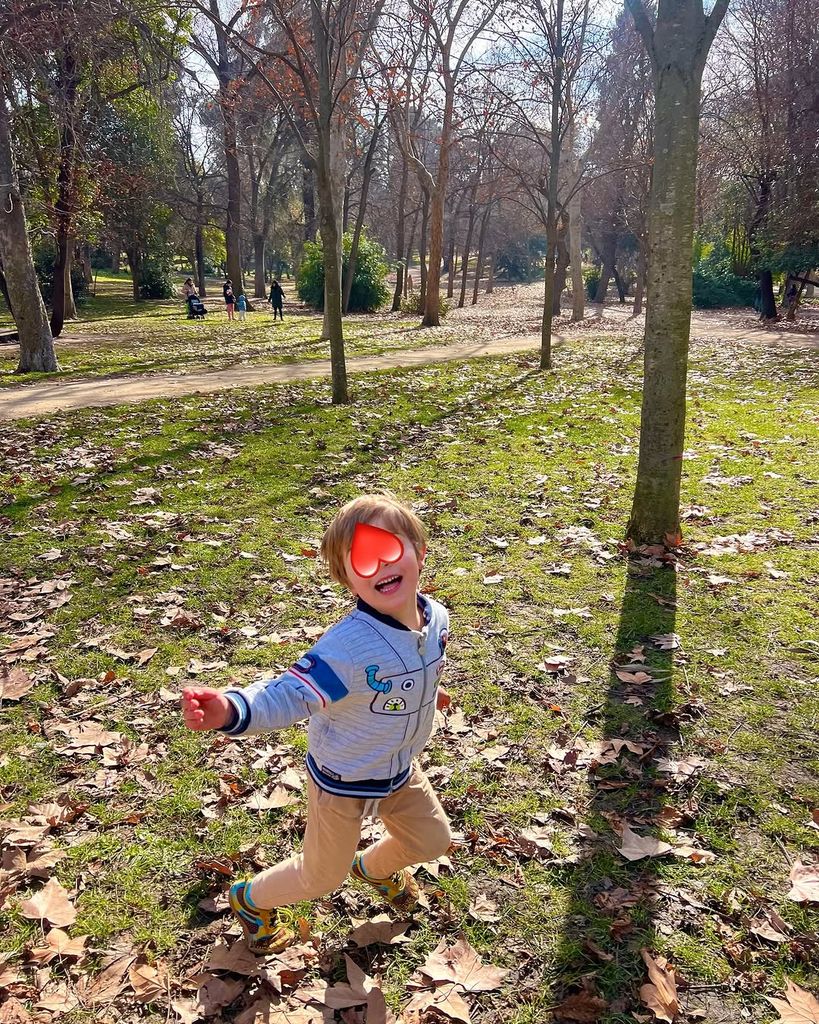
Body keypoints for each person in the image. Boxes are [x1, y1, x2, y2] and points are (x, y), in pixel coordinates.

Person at [180, 493, 452, 954]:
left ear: (419, 551)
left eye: (388, 548)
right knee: (322, 875)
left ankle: (374, 869)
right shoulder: (346, 649)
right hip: (342, 779)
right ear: (347, 579)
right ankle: (250, 898)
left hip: (399, 768)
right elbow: (289, 693)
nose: (378, 566)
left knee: (432, 839)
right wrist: (230, 708)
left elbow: (420, 663)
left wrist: (430, 692)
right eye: (360, 561)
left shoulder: (437, 616)